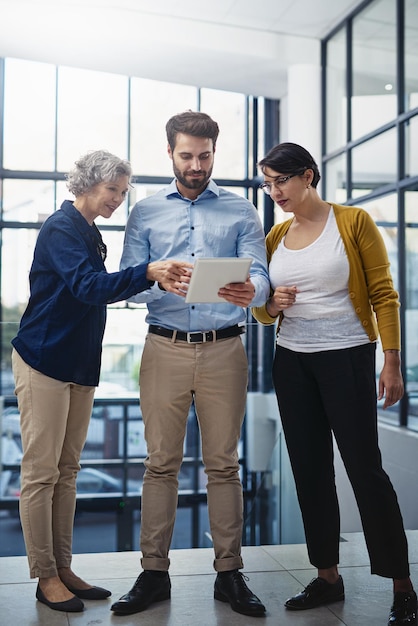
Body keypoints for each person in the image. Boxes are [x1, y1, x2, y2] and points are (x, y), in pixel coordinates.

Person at [11, 150, 191, 614]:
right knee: (40, 474)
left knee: (67, 472)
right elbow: (89, 287)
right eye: (113, 190)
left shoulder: (90, 234)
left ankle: (63, 567)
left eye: (123, 192)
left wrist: (152, 280)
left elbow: (102, 289)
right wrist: (148, 271)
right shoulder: (60, 228)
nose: (118, 199)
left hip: (78, 364)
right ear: (88, 184)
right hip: (44, 360)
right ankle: (44, 575)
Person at [110, 111, 270, 618]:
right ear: (170, 153)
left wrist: (254, 290)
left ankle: (230, 574)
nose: (196, 165)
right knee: (161, 465)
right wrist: (156, 276)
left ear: (214, 152)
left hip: (226, 347)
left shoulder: (241, 209)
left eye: (204, 156)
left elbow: (261, 272)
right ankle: (154, 573)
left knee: (223, 465)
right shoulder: (145, 211)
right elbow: (128, 281)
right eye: (187, 156)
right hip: (164, 347)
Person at [251, 142, 417, 626]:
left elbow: (385, 294)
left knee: (366, 471)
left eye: (280, 180)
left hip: (347, 358)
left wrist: (392, 362)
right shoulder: (274, 237)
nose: (274, 191)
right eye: (267, 182)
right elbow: (262, 308)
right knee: (309, 471)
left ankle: (402, 585)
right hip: (293, 363)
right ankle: (327, 576)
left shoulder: (353, 222)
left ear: (308, 176)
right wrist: (271, 306)